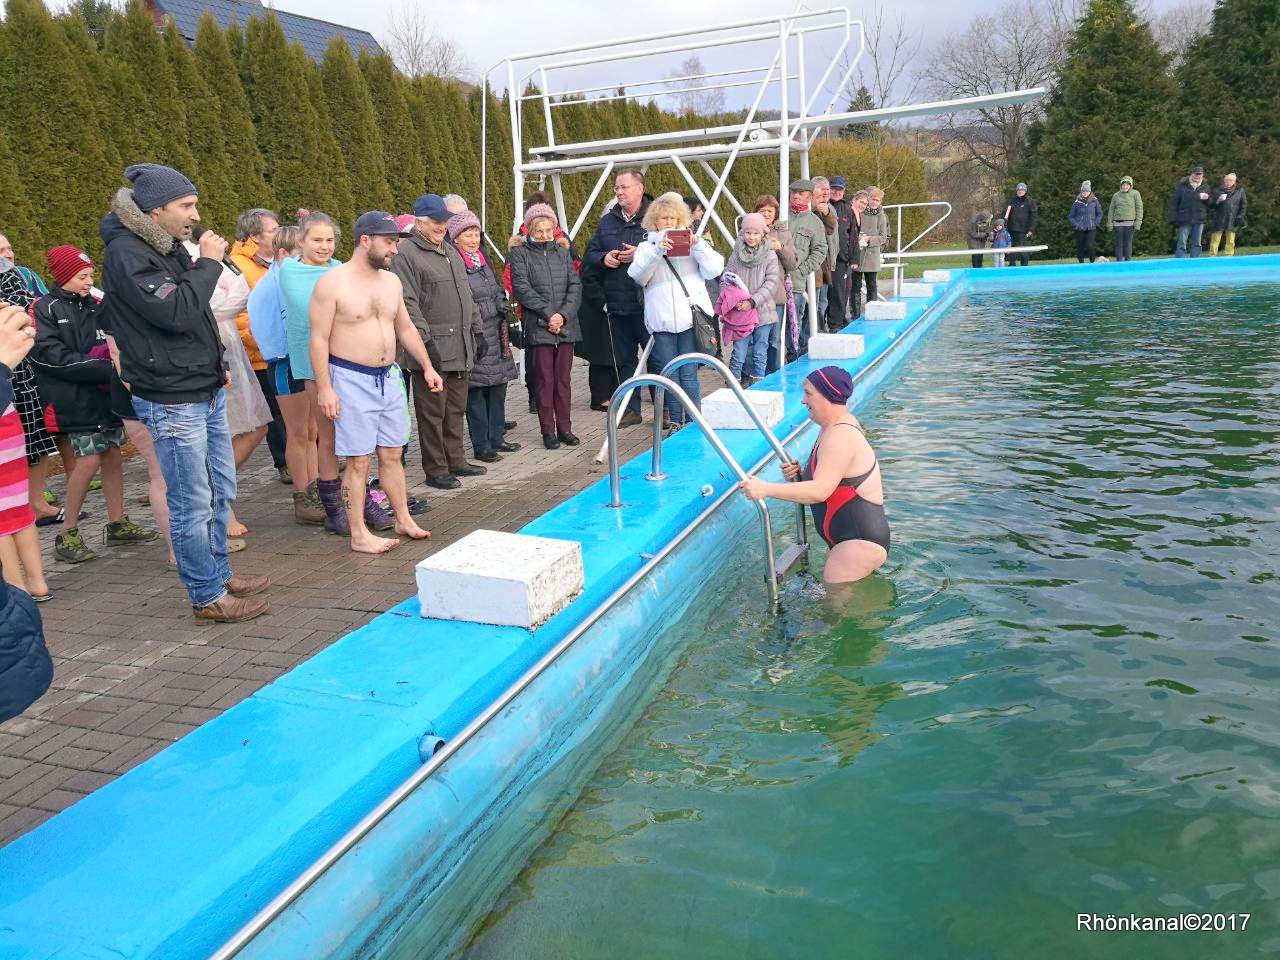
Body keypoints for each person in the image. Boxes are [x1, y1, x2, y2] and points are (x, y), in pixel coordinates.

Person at [98, 162, 268, 624]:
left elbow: (196, 317)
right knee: (191, 498)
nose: (195, 215)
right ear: (156, 210)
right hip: (171, 397)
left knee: (217, 487)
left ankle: (218, 572)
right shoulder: (128, 254)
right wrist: (210, 263)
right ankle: (206, 595)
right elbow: (175, 311)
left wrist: (215, 365)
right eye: (186, 206)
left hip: (200, 385)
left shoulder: (164, 246)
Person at [311, 212, 440, 554]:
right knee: (358, 460)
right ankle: (358, 534)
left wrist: (427, 366)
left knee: (392, 453)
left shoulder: (391, 282)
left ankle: (402, 518)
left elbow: (406, 328)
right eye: (389, 242)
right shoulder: (332, 283)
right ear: (365, 240)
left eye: (396, 242)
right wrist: (325, 387)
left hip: (389, 377)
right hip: (350, 378)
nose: (395, 250)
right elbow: (318, 339)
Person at [29, 245, 156, 567]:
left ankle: (117, 522)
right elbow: (50, 358)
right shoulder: (46, 308)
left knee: (113, 456)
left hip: (107, 398)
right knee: (87, 461)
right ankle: (67, 532)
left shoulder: (97, 305)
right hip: (74, 401)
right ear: (62, 276)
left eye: (90, 275)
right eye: (80, 276)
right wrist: (104, 366)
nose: (88, 281)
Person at [738, 366, 889, 584]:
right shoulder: (829, 428)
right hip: (848, 541)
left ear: (829, 396)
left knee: (836, 614)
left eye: (809, 393)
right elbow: (832, 483)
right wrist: (800, 476)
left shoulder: (841, 435)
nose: (803, 400)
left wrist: (765, 489)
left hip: (858, 542)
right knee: (833, 608)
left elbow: (820, 491)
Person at [391, 194, 487, 489]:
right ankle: (435, 469)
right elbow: (407, 303)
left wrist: (477, 330)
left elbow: (466, 295)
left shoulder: (449, 250)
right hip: (430, 349)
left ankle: (455, 459)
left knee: (455, 407)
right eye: (435, 221)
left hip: (460, 344)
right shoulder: (406, 253)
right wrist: (424, 344)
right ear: (418, 222)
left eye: (444, 221)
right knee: (432, 413)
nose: (441, 226)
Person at [247, 224, 325, 526]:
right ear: (283, 254)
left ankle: (318, 487)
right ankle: (304, 496)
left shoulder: (289, 278)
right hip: (284, 362)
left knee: (312, 431)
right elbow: (266, 326)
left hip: (304, 359)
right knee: (298, 433)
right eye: (300, 253)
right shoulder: (275, 283)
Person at [627, 193, 724, 427]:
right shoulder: (645, 246)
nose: (668, 222)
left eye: (672, 217)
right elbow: (637, 276)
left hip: (690, 319)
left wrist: (698, 245)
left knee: (689, 374)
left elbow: (714, 269)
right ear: (654, 221)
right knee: (669, 375)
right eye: (663, 218)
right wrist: (656, 251)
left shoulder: (694, 240)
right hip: (661, 321)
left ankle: (694, 423)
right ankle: (676, 424)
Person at [279, 212, 350, 532]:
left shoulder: (339, 268)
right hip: (313, 366)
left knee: (350, 436)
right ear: (302, 241)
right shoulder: (290, 271)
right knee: (325, 435)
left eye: (330, 240)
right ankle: (332, 501)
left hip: (348, 360)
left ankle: (353, 495)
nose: (324, 246)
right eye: (317, 240)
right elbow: (311, 308)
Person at [0, 303, 53, 722]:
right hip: (9, 428)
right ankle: (28, 585)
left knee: (12, 513)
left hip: (8, 428)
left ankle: (24, 586)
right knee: (13, 513)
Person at [508, 204, 582, 448]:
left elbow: (575, 285)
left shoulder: (563, 252)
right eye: (539, 230)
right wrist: (550, 314)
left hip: (566, 326)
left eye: (549, 229)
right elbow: (521, 288)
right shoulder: (520, 253)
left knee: (563, 381)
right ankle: (547, 431)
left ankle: (565, 428)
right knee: (544, 381)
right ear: (529, 229)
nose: (544, 234)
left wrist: (563, 315)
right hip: (539, 326)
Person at [449, 210, 519, 462]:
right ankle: (482, 445)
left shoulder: (481, 258)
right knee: (477, 392)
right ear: (456, 238)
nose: (473, 238)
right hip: (475, 335)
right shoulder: (455, 263)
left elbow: (495, 289)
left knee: (498, 386)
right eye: (468, 234)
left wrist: (503, 302)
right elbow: (463, 303)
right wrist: (492, 308)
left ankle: (497, 436)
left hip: (496, 334)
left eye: (476, 233)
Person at [583, 169, 651, 427]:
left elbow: (667, 253)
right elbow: (590, 254)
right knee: (624, 361)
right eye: (616, 188)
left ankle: (668, 409)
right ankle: (630, 409)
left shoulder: (654, 218)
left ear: (639, 189)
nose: (618, 192)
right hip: (617, 304)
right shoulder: (608, 221)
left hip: (647, 304)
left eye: (623, 187)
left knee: (656, 360)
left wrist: (640, 253)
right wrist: (604, 258)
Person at [229, 208, 289, 486]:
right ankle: (285, 463)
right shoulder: (237, 266)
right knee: (274, 412)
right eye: (272, 230)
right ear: (254, 236)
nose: (278, 235)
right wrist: (263, 337)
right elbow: (238, 314)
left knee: (289, 408)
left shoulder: (272, 261)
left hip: (281, 349)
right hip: (259, 354)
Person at [0, 263, 62, 528]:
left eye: (8, 249)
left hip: (23, 369)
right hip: (12, 372)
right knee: (20, 443)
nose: (7, 256)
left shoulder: (11, 276)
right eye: (2, 251)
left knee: (33, 442)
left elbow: (29, 309)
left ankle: (34, 504)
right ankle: (28, 507)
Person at [720, 211, 780, 387]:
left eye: (755, 233)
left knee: (760, 352)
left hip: (763, 312)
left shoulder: (770, 255)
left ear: (763, 234)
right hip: (740, 313)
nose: (751, 237)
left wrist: (752, 301)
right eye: (747, 232)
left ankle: (758, 385)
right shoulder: (736, 254)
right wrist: (731, 299)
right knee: (738, 352)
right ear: (742, 233)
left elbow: (771, 282)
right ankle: (733, 385)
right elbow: (726, 277)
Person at [780, 179, 828, 364]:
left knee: (794, 326)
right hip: (774, 281)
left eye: (800, 193)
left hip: (796, 284)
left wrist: (802, 270)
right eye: (793, 192)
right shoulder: (781, 215)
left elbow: (820, 250)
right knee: (773, 328)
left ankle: (793, 364)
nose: (795, 196)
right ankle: (772, 366)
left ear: (809, 196)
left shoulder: (814, 222)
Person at [753, 196, 797, 355]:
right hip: (754, 294)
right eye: (762, 211)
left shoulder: (783, 233)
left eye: (769, 211)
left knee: (774, 340)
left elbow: (792, 264)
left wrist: (780, 248)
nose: (766, 214)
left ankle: (775, 374)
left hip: (776, 295)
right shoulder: (749, 232)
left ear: (775, 213)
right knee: (753, 338)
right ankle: (752, 375)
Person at [826, 176, 855, 329]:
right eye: (834, 188)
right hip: (824, 258)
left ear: (843, 191)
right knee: (823, 294)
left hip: (842, 259)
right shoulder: (821, 206)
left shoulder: (848, 209)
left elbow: (853, 234)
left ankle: (835, 323)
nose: (836, 192)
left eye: (839, 189)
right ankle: (819, 324)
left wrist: (853, 258)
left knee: (839, 292)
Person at [854, 187, 889, 308]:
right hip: (857, 254)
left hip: (872, 255)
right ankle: (855, 314)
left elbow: (883, 237)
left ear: (880, 202)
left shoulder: (882, 216)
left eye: (877, 200)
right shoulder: (859, 212)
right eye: (872, 199)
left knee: (872, 286)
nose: (874, 202)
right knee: (855, 287)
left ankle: (872, 311)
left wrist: (869, 239)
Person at [810, 177, 839, 326]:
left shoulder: (828, 208)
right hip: (814, 265)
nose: (826, 193)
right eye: (822, 190)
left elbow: (833, 233)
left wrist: (827, 212)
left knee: (823, 301)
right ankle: (811, 335)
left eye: (827, 189)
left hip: (826, 262)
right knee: (812, 303)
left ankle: (821, 330)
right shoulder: (809, 211)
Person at [1168, 166, 1210, 258]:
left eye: (1200, 174)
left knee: (1197, 242)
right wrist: (1173, 218)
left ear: (1202, 176)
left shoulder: (1206, 187)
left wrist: (1207, 199)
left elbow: (1209, 204)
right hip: (1184, 218)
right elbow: (1173, 203)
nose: (1197, 176)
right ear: (1192, 174)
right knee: (1182, 242)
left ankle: (1194, 262)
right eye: (1196, 174)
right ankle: (1179, 261)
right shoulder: (1182, 186)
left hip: (1199, 218)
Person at [1208, 173, 1247, 256]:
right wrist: (1217, 201)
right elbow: (1210, 204)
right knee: (1215, 239)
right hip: (1219, 218)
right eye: (1226, 180)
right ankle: (1212, 255)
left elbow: (1243, 205)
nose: (1228, 182)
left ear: (1234, 181)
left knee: (1231, 239)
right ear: (1224, 181)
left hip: (1233, 217)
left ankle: (1229, 256)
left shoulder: (1240, 190)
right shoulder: (1217, 190)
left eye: (1230, 180)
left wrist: (1240, 216)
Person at [1105, 176, 1143, 262]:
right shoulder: (1116, 195)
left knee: (1128, 244)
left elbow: (1139, 208)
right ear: (1121, 185)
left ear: (1130, 185)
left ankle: (1127, 263)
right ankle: (1119, 263)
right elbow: (1111, 210)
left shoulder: (1135, 194)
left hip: (1130, 224)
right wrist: (1110, 223)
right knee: (1119, 244)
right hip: (1117, 224)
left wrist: (1138, 223)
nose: (1125, 186)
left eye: (1127, 185)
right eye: (1123, 185)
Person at [1002, 183, 1038, 266]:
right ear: (1016, 191)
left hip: (1024, 230)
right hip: (1011, 229)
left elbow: (1034, 217)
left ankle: (1024, 266)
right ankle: (1012, 264)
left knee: (1023, 249)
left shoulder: (1030, 202)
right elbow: (1006, 215)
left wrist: (1031, 229)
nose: (1020, 191)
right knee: (1012, 248)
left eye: (1022, 190)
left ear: (1025, 191)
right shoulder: (1011, 201)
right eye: (1018, 190)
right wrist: (1005, 227)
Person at [1069, 181, 1102, 263]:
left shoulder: (1095, 200)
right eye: (1083, 191)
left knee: (1089, 246)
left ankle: (1092, 262)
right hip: (1079, 228)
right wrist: (1076, 225)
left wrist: (1095, 223)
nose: (1085, 193)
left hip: (1091, 227)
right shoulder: (1077, 202)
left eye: (1087, 191)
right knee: (1080, 247)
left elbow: (1099, 213)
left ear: (1090, 191)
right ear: (1081, 192)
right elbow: (1070, 216)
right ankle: (1081, 264)